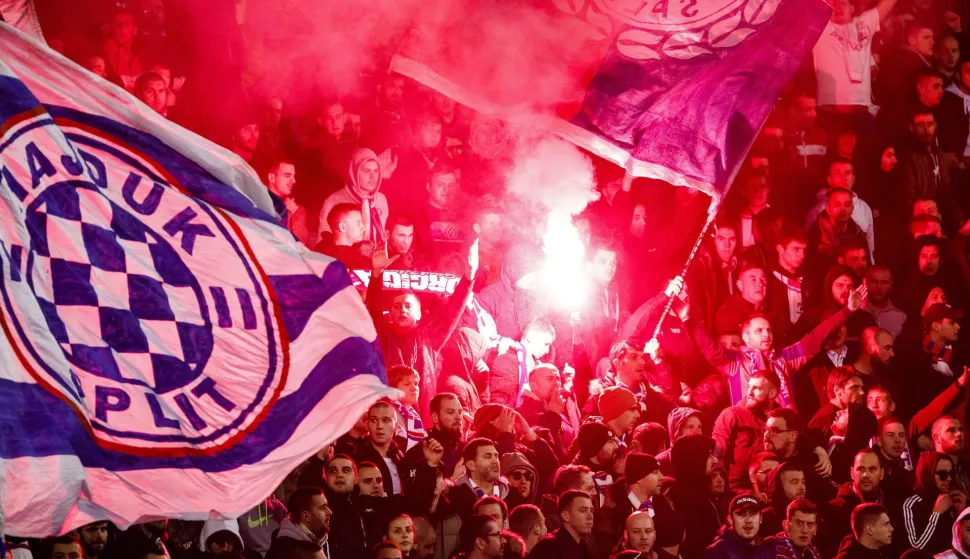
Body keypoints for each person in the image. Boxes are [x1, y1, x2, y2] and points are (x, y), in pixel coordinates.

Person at [694, 284, 863, 408]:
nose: (766, 334)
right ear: (746, 337)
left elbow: (815, 337)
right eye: (759, 331)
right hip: (749, 432)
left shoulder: (785, 357)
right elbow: (709, 348)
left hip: (784, 428)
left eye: (768, 330)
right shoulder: (736, 360)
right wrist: (688, 321)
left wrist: (847, 311)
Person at [367, 240, 477, 421]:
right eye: (397, 306)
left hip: (423, 419)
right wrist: (377, 274)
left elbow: (453, 310)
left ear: (419, 314)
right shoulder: (383, 337)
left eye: (408, 306)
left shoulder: (430, 337)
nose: (402, 309)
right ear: (390, 313)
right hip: (389, 419)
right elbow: (371, 312)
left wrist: (468, 277)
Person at [713, 369, 779, 490]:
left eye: (757, 388)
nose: (749, 392)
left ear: (772, 393)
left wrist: (818, 449)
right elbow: (716, 458)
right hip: (738, 490)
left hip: (773, 489)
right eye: (749, 386)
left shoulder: (782, 419)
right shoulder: (731, 415)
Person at [899, 110, 963, 235]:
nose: (927, 130)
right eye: (921, 125)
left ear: (935, 125)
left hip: (948, 221)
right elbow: (908, 200)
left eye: (930, 124)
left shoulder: (942, 156)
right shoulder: (908, 159)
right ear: (911, 128)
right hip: (923, 222)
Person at [596, 452, 667, 557]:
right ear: (639, 478)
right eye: (655, 472)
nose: (662, 477)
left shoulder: (664, 508)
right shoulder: (611, 514)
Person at [319, 147, 390, 244]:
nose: (373, 176)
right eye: (366, 171)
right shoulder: (334, 200)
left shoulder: (381, 200)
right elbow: (323, 242)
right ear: (354, 172)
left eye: (376, 171)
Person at [900, 452, 960, 556]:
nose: (949, 479)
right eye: (942, 475)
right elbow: (916, 549)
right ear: (928, 474)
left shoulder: (952, 499)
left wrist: (961, 514)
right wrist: (936, 514)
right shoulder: (912, 504)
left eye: (951, 474)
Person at [827, 449, 886, 551]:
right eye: (861, 469)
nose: (866, 475)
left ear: (881, 474)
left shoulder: (894, 506)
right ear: (852, 473)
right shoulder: (836, 510)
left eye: (872, 469)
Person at [489, 319, 556, 407]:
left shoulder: (533, 365)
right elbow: (498, 405)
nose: (547, 351)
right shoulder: (509, 361)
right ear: (531, 337)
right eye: (546, 344)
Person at [449, 438, 510, 520]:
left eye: (496, 456)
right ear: (471, 465)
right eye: (488, 457)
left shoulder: (512, 494)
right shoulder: (455, 498)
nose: (495, 461)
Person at [355, 400, 407, 496]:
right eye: (374, 420)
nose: (379, 426)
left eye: (386, 420)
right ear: (367, 424)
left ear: (396, 427)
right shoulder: (357, 456)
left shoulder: (400, 457)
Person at [527, 490, 596, 559]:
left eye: (591, 510)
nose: (590, 516)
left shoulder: (584, 547)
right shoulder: (549, 548)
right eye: (583, 510)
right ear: (565, 516)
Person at [266, 487, 331, 559]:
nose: (330, 512)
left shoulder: (322, 539)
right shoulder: (286, 552)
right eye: (323, 507)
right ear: (306, 516)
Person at [701, 494, 771, 559]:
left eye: (753, 513)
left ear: (760, 518)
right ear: (730, 520)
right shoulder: (716, 552)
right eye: (742, 514)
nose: (748, 520)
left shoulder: (766, 550)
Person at [715, 264, 770, 336]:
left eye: (762, 279)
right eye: (753, 280)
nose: (760, 284)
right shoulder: (728, 314)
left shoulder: (772, 310)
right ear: (740, 285)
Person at [759, 462, 808, 538]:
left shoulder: (811, 516)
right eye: (795, 482)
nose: (802, 487)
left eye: (803, 482)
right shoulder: (763, 520)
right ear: (778, 487)